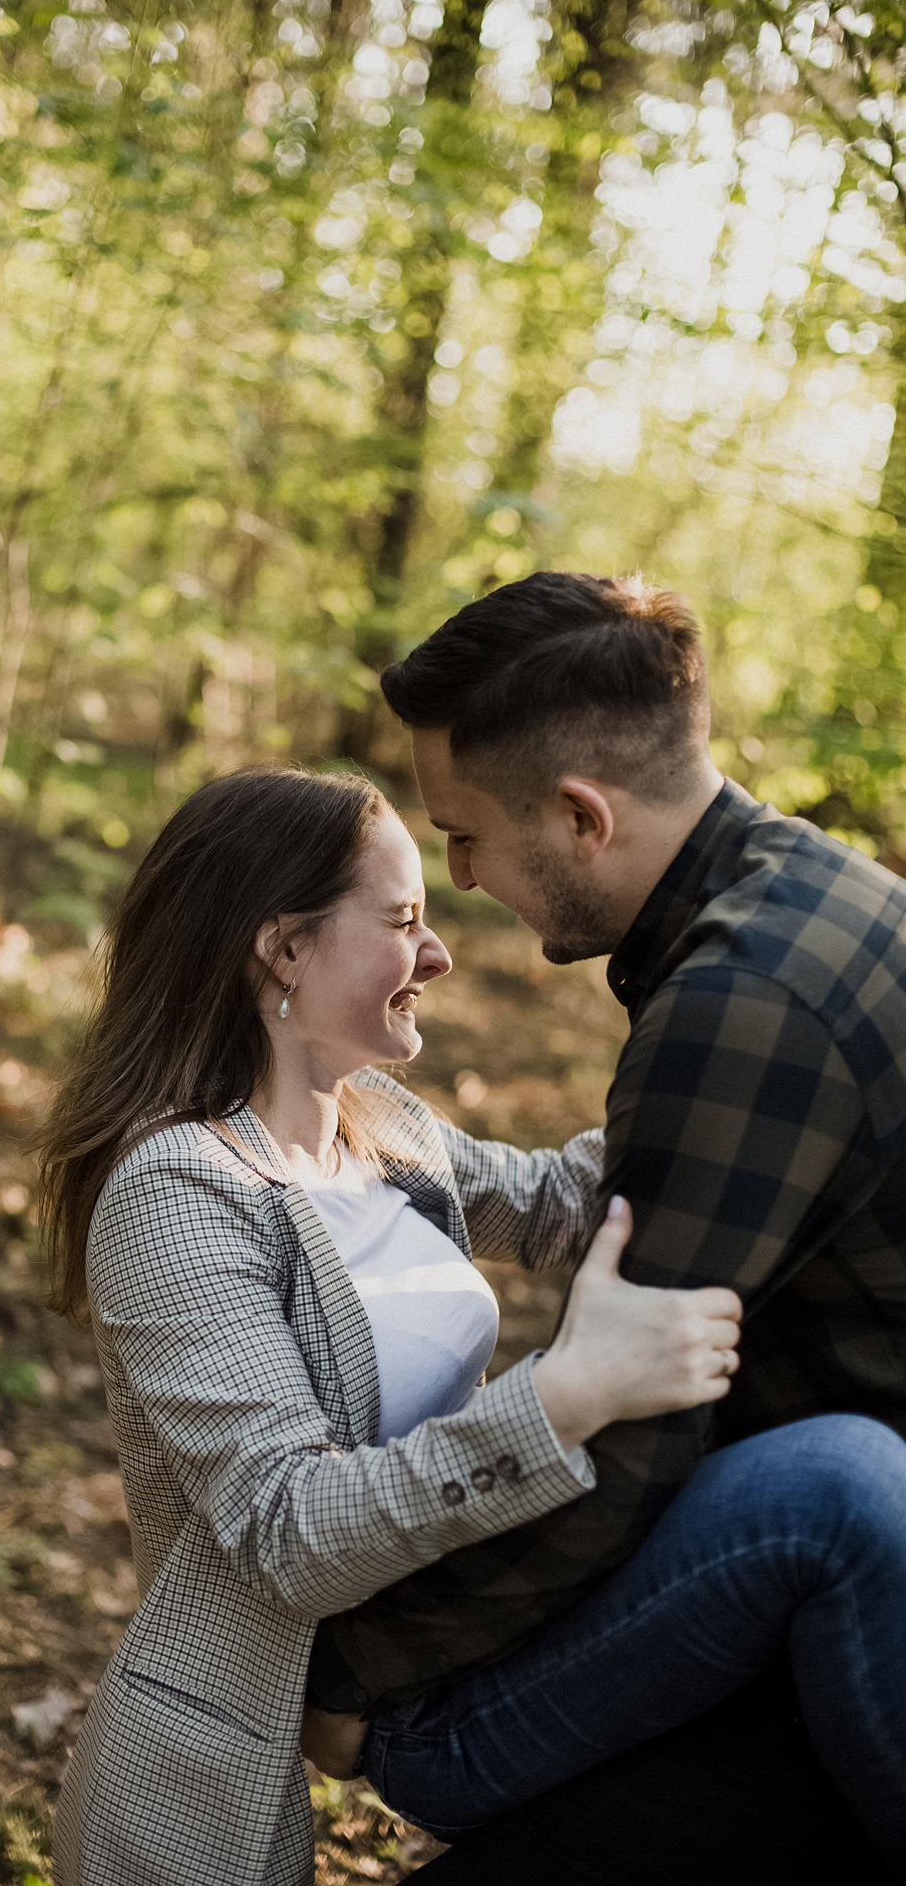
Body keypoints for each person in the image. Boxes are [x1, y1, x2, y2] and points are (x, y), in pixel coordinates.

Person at [37, 764, 906, 1886]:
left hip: (491, 1607)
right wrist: (562, 1399)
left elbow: (561, 1200)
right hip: (414, 1685)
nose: (438, 955)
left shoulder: (375, 1121)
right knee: (828, 1488)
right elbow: (287, 1532)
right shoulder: (179, 1196)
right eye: (402, 922)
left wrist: (797, 1045)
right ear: (281, 950)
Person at [299, 569, 906, 1863]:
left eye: (462, 835)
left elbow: (632, 1425)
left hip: (859, 1575)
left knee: (428, 1746)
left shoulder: (740, 1007)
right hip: (830, 1575)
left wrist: (358, 1670)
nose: (457, 882)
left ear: (581, 817)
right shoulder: (831, 903)